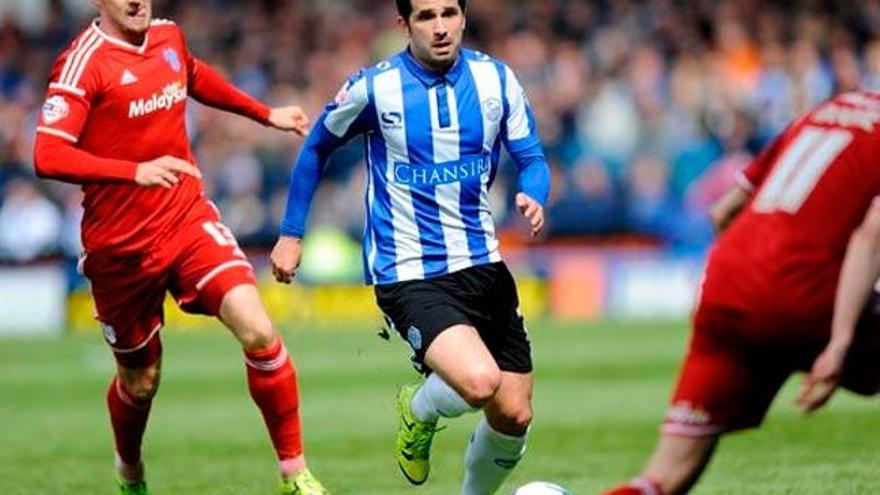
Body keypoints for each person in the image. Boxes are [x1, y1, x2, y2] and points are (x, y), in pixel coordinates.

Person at [32, 1, 330, 494]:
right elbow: (48, 152)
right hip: (121, 248)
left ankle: (294, 473)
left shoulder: (168, 36)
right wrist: (134, 172)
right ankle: (130, 471)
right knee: (141, 380)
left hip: (186, 220)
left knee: (257, 328)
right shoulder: (84, 62)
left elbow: (191, 74)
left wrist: (265, 114)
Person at [270, 0, 550, 493]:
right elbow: (316, 147)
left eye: (448, 13)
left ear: (464, 17)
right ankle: (417, 407)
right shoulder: (374, 88)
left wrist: (535, 193)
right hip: (408, 270)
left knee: (514, 414)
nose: (439, 27)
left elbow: (531, 156)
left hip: (483, 262)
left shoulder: (497, 80)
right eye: (425, 16)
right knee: (478, 382)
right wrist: (292, 233)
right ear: (404, 23)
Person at [600, 91, 880, 495]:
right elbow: (871, 236)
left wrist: (750, 282)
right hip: (802, 289)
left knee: (665, 476)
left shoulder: (826, 110)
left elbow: (722, 211)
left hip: (726, 283)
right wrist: (839, 342)